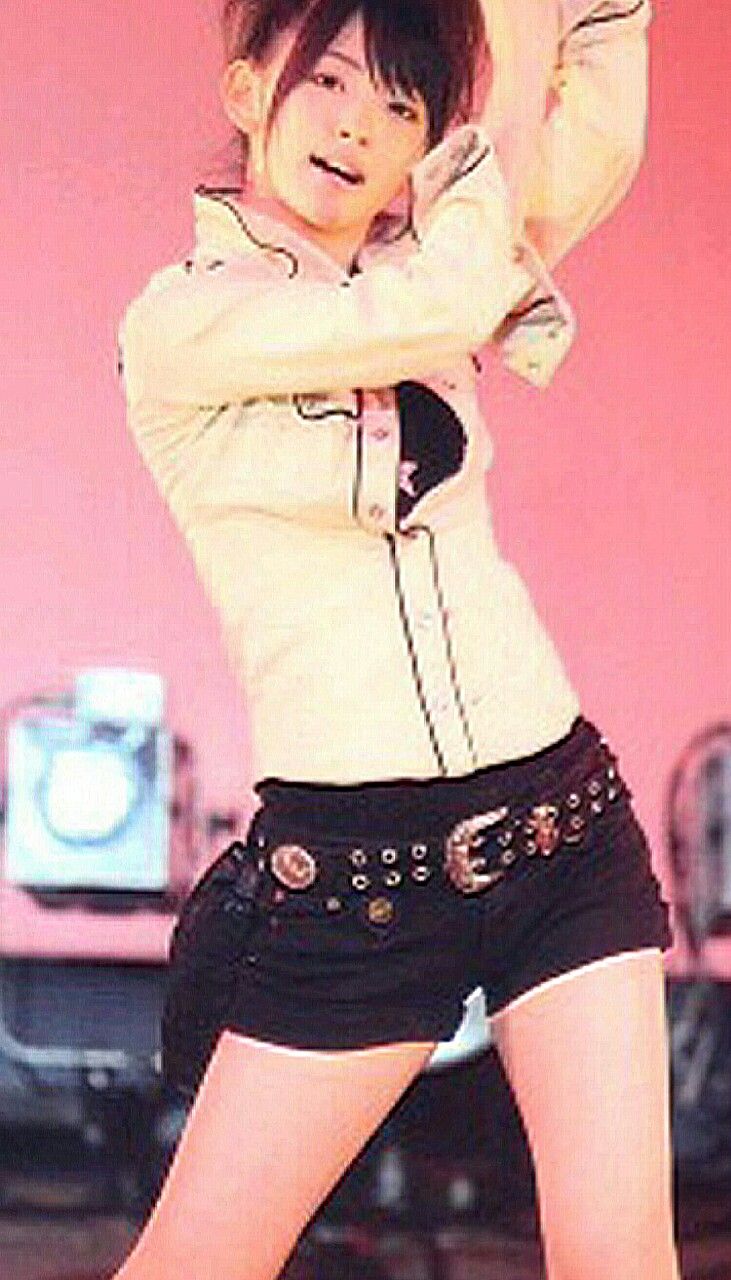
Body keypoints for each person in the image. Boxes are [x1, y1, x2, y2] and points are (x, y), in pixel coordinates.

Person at [116, 1, 681, 1277]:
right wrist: (510, 59)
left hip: (559, 831)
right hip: (358, 882)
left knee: (619, 1258)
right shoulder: (182, 325)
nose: (356, 125)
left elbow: (591, 125)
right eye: (326, 81)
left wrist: (561, 22)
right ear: (246, 93)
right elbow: (445, 298)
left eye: (400, 105)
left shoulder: (437, 256)